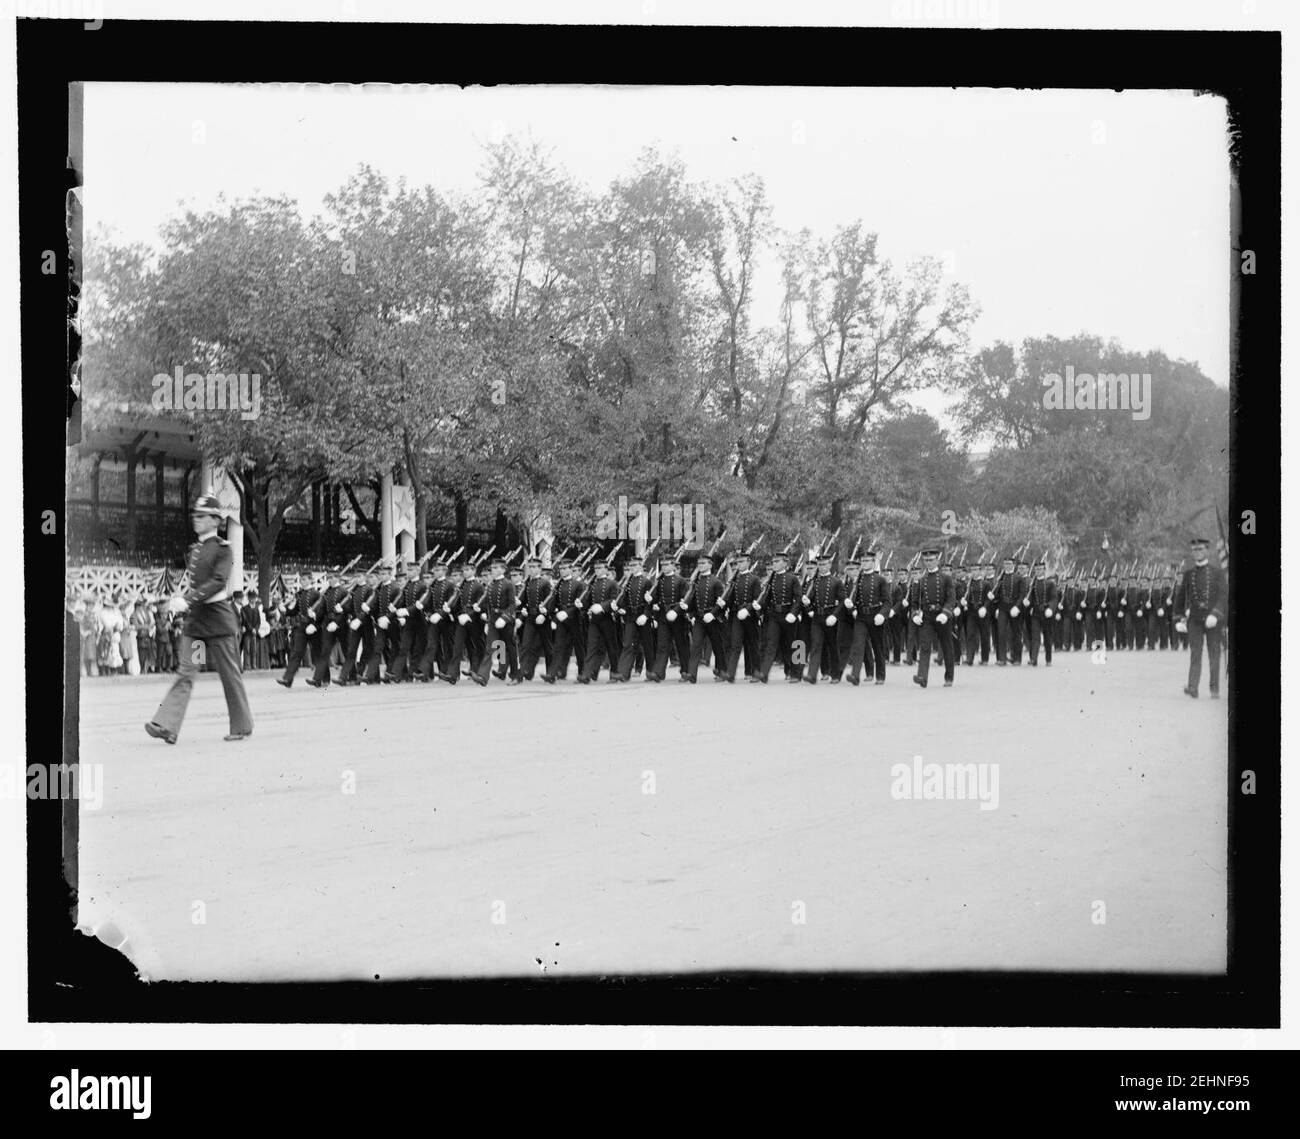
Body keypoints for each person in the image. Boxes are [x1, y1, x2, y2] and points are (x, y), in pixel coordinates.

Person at [145, 495, 254, 744]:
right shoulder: (195, 550)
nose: (196, 520)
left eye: (202, 516)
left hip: (217, 622)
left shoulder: (224, 549)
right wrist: (184, 599)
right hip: (197, 625)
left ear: (215, 519)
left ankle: (242, 726)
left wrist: (189, 599)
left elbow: (218, 581)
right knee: (186, 672)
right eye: (195, 515)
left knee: (229, 674)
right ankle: (167, 725)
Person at [1174, 536, 1226, 699]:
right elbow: (1180, 598)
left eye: (1200, 549)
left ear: (1207, 551)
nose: (1197, 553)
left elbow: (1224, 597)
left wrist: (1216, 614)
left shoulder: (1217, 573)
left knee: (1214, 654)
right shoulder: (1189, 574)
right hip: (1195, 619)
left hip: (1212, 620)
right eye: (1194, 550)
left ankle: (1214, 689)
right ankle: (1193, 687)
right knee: (1195, 653)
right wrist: (1178, 618)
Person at [911, 547, 956, 689]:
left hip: (942, 615)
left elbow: (951, 598)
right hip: (928, 617)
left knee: (946, 646)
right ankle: (922, 677)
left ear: (938, 560)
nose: (929, 563)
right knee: (924, 646)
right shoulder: (921, 580)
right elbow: (914, 602)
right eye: (926, 560)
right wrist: (915, 614)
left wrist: (946, 613)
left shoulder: (946, 579)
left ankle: (949, 677)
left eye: (931, 560)